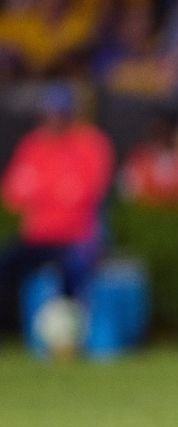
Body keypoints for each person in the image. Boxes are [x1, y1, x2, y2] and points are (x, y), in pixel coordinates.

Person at [0, 83, 114, 332]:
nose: (55, 119)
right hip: (38, 236)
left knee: (73, 274)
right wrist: (58, 190)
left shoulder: (90, 144)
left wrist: (41, 189)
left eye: (61, 113)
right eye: (51, 113)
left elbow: (89, 191)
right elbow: (12, 194)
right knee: (6, 266)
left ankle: (72, 338)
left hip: (78, 237)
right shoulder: (33, 145)